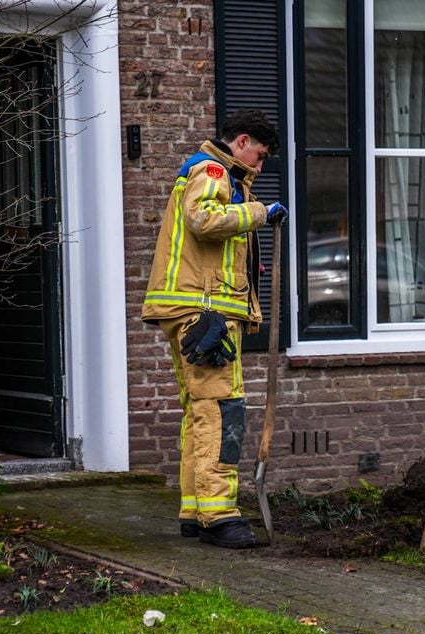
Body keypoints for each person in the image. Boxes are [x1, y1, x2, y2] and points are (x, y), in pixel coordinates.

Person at [141, 109, 287, 549]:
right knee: (222, 409)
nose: (260, 167)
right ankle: (220, 516)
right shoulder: (213, 170)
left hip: (192, 309)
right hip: (205, 314)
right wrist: (258, 213)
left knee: (200, 410)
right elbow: (203, 220)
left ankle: (194, 510)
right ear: (241, 141)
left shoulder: (216, 175)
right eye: (260, 156)